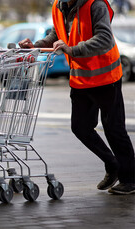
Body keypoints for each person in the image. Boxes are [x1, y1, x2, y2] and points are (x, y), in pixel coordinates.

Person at [19, 0, 135, 194]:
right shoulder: (59, 6)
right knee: (80, 127)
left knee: (114, 129)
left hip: (106, 77)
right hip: (81, 78)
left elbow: (105, 38)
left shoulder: (95, 5)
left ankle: (130, 179)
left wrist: (72, 50)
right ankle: (112, 164)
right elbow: (57, 34)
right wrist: (36, 46)